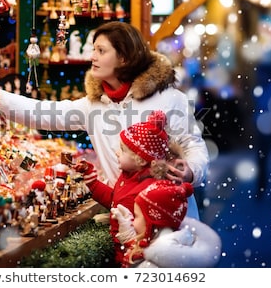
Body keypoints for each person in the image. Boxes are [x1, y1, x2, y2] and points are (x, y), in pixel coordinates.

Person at [0, 21, 209, 218]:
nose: (92, 56)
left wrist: (191, 171)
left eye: (101, 51)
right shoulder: (93, 106)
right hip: (126, 216)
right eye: (93, 49)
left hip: (171, 215)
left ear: (124, 57)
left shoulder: (169, 99)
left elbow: (193, 147)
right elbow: (44, 113)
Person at [74, 109, 190, 265]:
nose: (116, 153)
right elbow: (114, 200)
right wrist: (92, 180)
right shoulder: (128, 176)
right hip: (123, 249)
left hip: (132, 256)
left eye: (122, 150)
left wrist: (129, 249)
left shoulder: (147, 191)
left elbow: (146, 236)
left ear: (140, 160)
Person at [111, 181, 222, 268]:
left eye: (137, 216)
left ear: (153, 221)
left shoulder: (152, 266)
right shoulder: (173, 245)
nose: (133, 222)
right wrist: (129, 237)